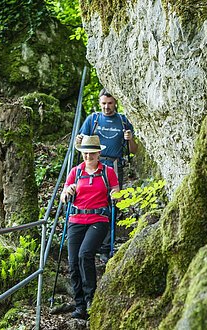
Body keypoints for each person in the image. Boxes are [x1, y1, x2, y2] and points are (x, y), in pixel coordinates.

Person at [60, 135, 119, 319]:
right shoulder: (75, 172)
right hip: (76, 220)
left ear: (99, 153)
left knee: (85, 254)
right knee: (73, 263)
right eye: (85, 153)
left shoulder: (107, 172)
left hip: (98, 220)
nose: (88, 157)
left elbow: (117, 192)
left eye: (91, 154)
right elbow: (63, 196)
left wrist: (116, 194)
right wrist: (67, 192)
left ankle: (91, 299)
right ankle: (80, 306)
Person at [76, 88, 138, 262]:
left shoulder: (123, 121)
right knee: (89, 200)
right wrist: (78, 141)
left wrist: (130, 139)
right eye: (103, 103)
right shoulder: (93, 120)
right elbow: (79, 146)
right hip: (92, 165)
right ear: (99, 103)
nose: (107, 107)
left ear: (115, 102)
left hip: (115, 165)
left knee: (111, 205)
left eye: (110, 103)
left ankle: (104, 249)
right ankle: (88, 243)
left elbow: (134, 150)